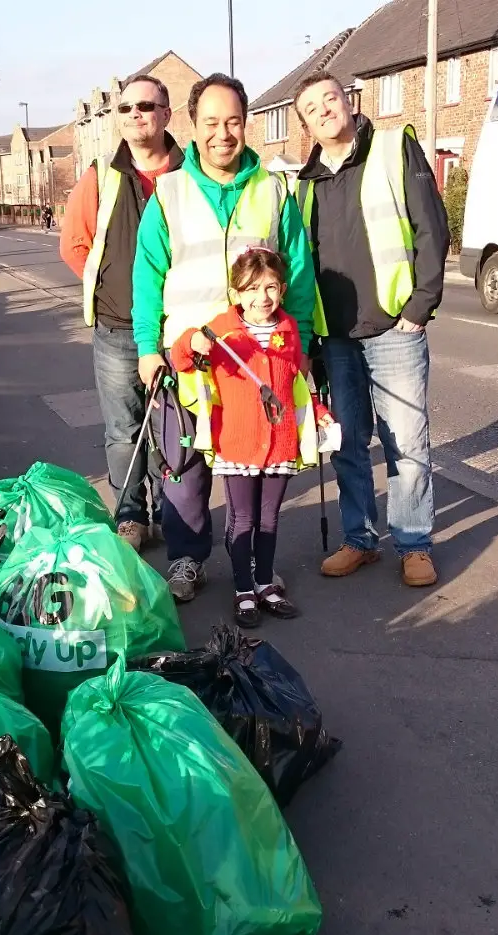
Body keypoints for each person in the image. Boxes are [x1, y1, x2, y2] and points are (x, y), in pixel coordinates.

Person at [133, 72, 315, 602]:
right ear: (194, 124)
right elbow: (148, 275)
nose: (223, 133)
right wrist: (149, 348)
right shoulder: (169, 190)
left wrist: (299, 348)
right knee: (184, 467)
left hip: (255, 365)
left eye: (233, 121)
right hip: (187, 359)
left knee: (255, 468)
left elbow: (298, 275)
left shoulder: (273, 189)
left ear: (246, 123)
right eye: (211, 122)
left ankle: (256, 572)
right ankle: (188, 562)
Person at [294, 73, 450, 587]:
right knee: (347, 442)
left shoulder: (391, 148)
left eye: (330, 99)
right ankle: (359, 538)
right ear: (306, 124)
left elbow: (432, 226)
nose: (324, 111)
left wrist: (420, 306)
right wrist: (308, 338)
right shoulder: (306, 182)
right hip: (334, 336)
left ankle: (412, 542)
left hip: (393, 327)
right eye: (312, 108)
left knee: (405, 439)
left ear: (347, 101)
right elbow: (303, 263)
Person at [60, 74, 185, 551]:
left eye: (146, 106)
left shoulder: (188, 173)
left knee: (172, 432)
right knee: (122, 432)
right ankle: (131, 517)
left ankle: (173, 516)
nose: (136, 114)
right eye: (126, 107)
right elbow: (75, 245)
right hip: (117, 328)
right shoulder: (101, 174)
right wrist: (112, 284)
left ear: (167, 114)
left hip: (176, 330)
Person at [171, 247, 302, 626]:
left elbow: (293, 384)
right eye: (252, 289)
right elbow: (182, 358)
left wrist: (320, 414)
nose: (262, 297)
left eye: (271, 287)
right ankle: (243, 588)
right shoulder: (222, 328)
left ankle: (265, 582)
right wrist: (191, 340)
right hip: (239, 443)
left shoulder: (288, 328)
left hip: (279, 442)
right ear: (237, 292)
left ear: (282, 289)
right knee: (242, 519)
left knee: (270, 519)